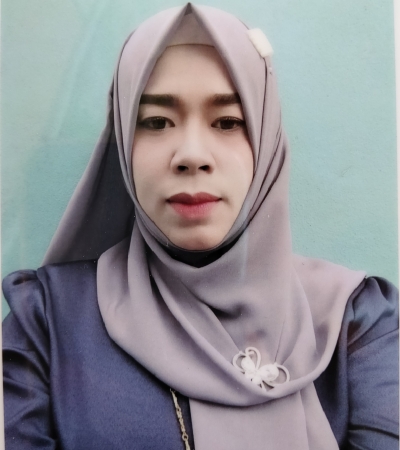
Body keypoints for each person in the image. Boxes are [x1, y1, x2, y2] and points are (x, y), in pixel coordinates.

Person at [2, 4, 398, 450]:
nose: (192, 155)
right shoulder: (45, 323)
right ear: (123, 144)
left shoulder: (354, 321)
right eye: (156, 122)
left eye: (228, 121)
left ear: (266, 140)